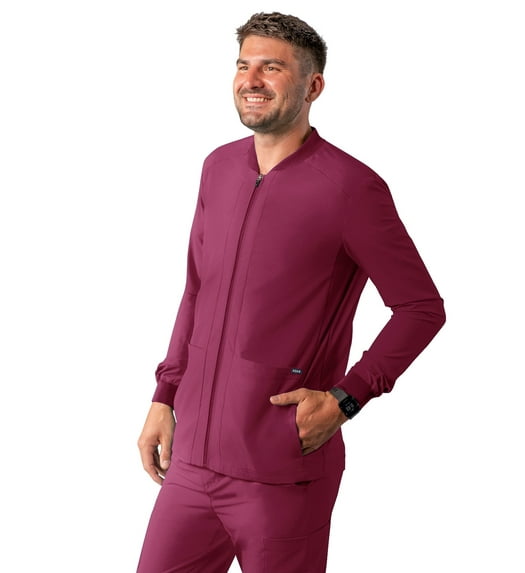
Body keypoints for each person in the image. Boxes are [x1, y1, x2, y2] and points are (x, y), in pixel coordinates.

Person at [136, 12, 445, 573]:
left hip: (282, 470)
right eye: (243, 65)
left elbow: (421, 308)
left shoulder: (350, 188)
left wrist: (347, 399)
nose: (251, 80)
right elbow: (197, 290)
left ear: (313, 86)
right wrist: (165, 395)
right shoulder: (218, 168)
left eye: (271, 68)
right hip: (192, 464)